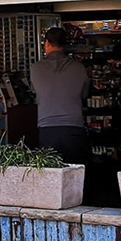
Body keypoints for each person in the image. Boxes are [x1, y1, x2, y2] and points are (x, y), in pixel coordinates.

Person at [30, 27, 89, 166]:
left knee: (51, 175)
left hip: (47, 128)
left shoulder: (35, 68)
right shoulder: (79, 68)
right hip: (74, 127)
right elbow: (84, 94)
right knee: (75, 174)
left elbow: (35, 93)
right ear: (65, 45)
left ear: (47, 43)